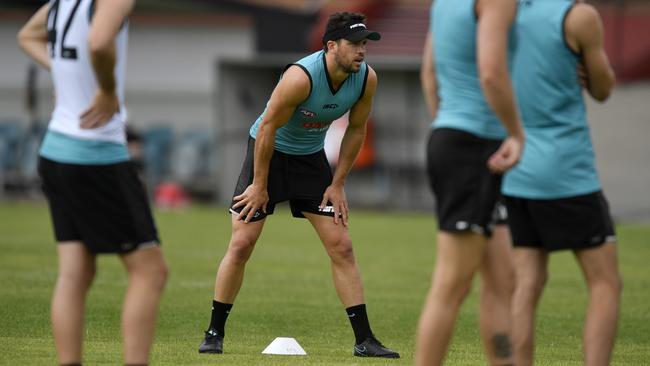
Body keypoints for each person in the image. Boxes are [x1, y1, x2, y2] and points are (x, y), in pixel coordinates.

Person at [198, 12, 399, 359]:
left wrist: (337, 183)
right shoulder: (300, 77)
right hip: (268, 155)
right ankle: (214, 333)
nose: (362, 51)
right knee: (242, 243)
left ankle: (365, 340)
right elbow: (266, 130)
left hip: (310, 160)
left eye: (365, 43)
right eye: (354, 44)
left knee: (342, 246)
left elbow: (356, 129)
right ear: (331, 46)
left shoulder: (366, 79)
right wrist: (260, 185)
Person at [17, 1, 169, 365]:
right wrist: (103, 89)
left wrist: (68, 79)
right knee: (150, 271)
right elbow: (99, 42)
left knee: (76, 272)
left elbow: (28, 35)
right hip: (95, 154)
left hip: (55, 150)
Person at [504, 1, 621, 365]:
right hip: (565, 171)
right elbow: (602, 90)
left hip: (515, 167)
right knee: (605, 283)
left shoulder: (501, 13)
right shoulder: (578, 16)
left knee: (527, 284)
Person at [415, 0, 525, 365]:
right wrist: (516, 134)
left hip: (462, 142)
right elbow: (491, 72)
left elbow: (429, 73)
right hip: (474, 148)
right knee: (452, 284)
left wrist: (445, 125)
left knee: (503, 281)